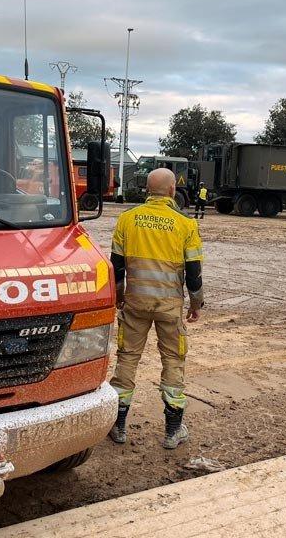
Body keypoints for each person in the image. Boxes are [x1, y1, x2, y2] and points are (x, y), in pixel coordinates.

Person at [109, 168, 204, 449]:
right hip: (169, 307)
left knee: (127, 359)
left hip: (135, 304)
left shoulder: (127, 220)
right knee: (173, 362)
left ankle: (119, 426)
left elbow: (116, 266)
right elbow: (194, 274)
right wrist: (196, 304)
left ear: (147, 190)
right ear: (173, 189)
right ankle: (173, 430)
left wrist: (119, 296)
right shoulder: (186, 225)